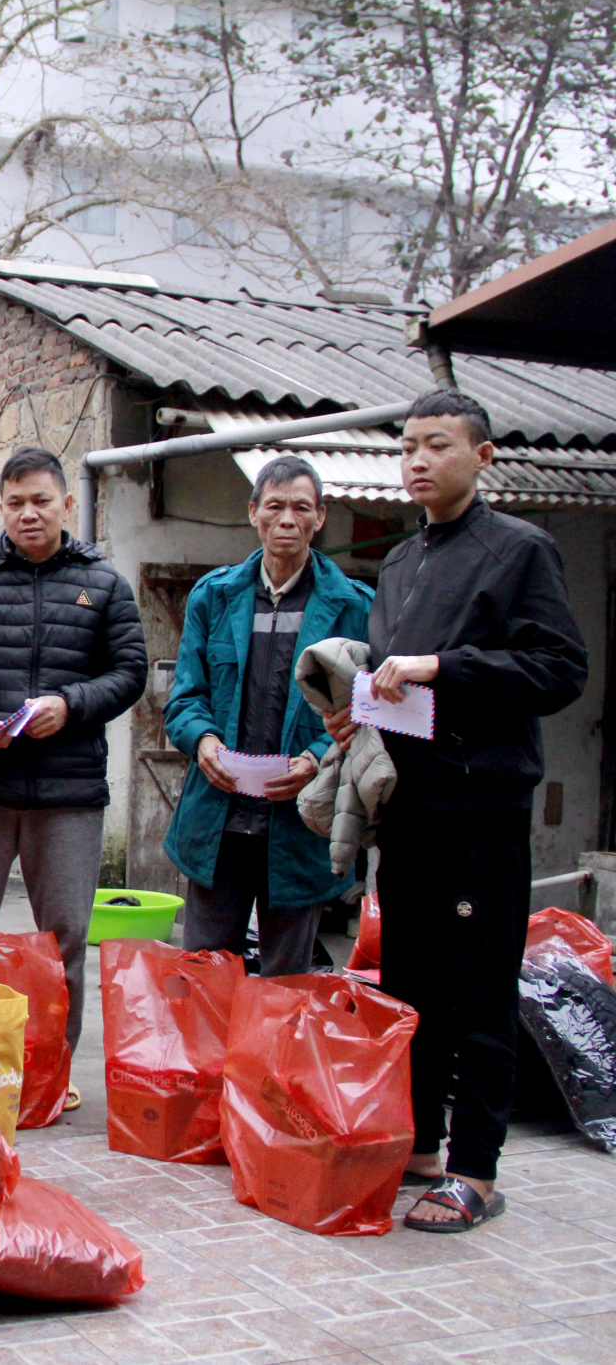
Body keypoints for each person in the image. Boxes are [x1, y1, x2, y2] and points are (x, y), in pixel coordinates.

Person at [320, 390, 586, 1233]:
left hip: (483, 804)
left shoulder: (521, 551)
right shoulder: (399, 562)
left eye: (437, 445)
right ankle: (423, 1145)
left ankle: (477, 1166)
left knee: (479, 990)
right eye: (407, 447)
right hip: (410, 804)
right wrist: (359, 707)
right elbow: (398, 676)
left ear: (484, 455)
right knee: (412, 986)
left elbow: (559, 669)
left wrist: (445, 667)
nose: (418, 461)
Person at [0, 445, 145, 1081]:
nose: (28, 514)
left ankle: (52, 1069)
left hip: (68, 793)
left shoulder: (104, 584)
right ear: (1, 506)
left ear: (67, 504)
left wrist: (70, 705)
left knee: (65, 939)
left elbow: (130, 672)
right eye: (15, 502)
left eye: (41, 501)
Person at [164, 455, 372, 974]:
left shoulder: (354, 606)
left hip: (301, 820)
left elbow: (365, 713)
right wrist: (204, 742)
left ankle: (274, 1058)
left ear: (320, 517)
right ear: (253, 511)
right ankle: (212, 1060)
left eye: (301, 508)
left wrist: (315, 757)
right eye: (274, 506)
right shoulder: (215, 596)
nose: (287, 520)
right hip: (221, 817)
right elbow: (185, 697)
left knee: (287, 984)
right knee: (206, 975)